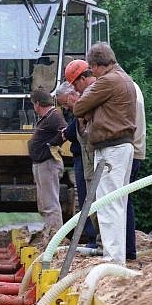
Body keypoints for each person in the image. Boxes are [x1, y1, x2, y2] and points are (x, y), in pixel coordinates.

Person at [72, 43, 137, 265]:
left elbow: (79, 108)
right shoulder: (125, 78)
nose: (93, 74)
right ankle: (116, 257)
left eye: (92, 69)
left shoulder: (108, 81)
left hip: (111, 147)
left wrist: (88, 111)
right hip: (122, 146)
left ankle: (112, 258)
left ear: (98, 65)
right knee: (116, 202)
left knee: (108, 204)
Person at [55, 81, 97, 248]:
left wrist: (66, 133)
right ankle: (92, 238)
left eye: (66, 103)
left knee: (89, 197)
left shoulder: (83, 110)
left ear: (74, 95)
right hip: (82, 157)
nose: (66, 107)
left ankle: (93, 237)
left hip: (85, 157)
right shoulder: (78, 112)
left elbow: (74, 132)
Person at [28, 89, 68, 238]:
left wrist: (51, 144)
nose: (34, 107)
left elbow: (65, 131)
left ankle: (56, 237)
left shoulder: (55, 116)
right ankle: (50, 232)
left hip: (48, 164)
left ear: (38, 104)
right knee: (45, 203)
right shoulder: (48, 117)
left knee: (50, 203)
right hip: (41, 163)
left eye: (33, 104)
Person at [126, 83, 146, 261]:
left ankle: (126, 250)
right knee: (124, 200)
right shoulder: (133, 87)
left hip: (128, 152)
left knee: (121, 202)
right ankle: (128, 249)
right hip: (136, 151)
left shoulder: (124, 89)